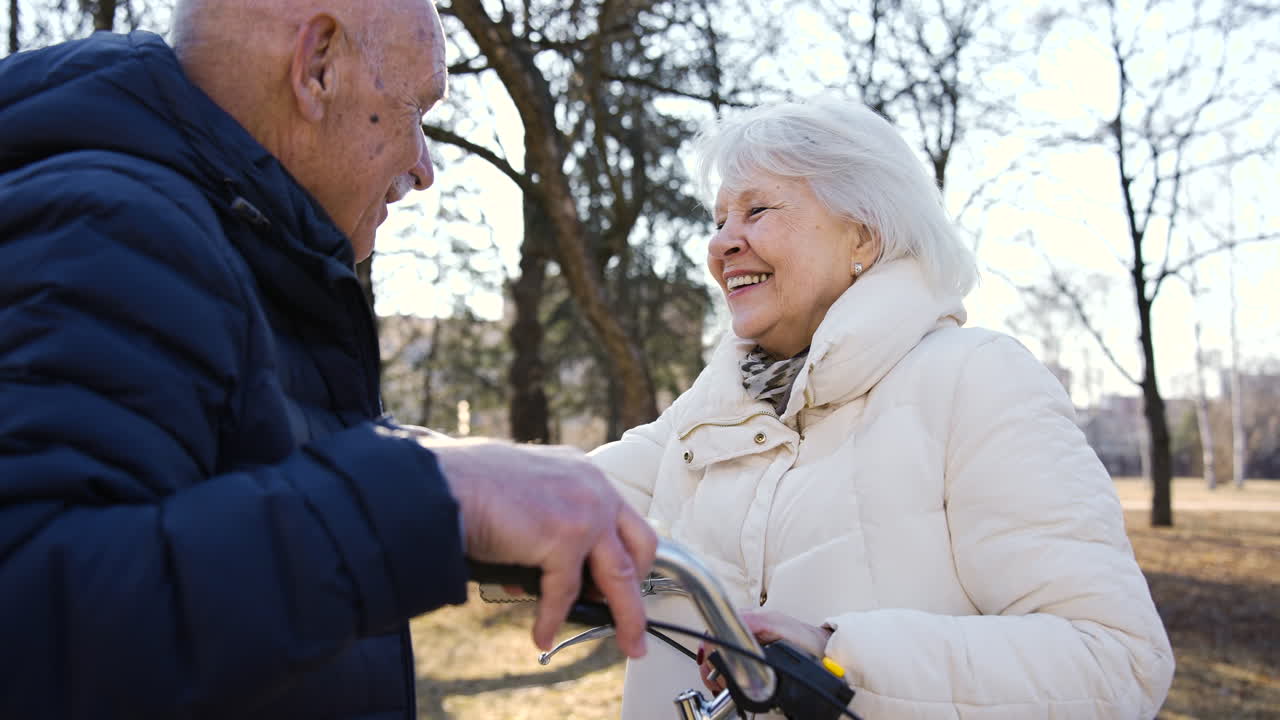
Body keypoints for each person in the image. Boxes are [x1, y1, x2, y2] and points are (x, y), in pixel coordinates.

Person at [0, 0, 654, 717]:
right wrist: (439, 494)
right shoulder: (111, 228)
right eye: (415, 110)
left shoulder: (239, 250)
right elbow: (31, 617)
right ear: (317, 68)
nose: (423, 167)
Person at [589, 96, 1175, 719]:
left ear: (864, 235)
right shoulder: (704, 413)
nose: (723, 244)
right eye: (718, 220)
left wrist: (842, 659)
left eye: (757, 211)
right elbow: (548, 502)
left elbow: (1115, 662)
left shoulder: (976, 379)